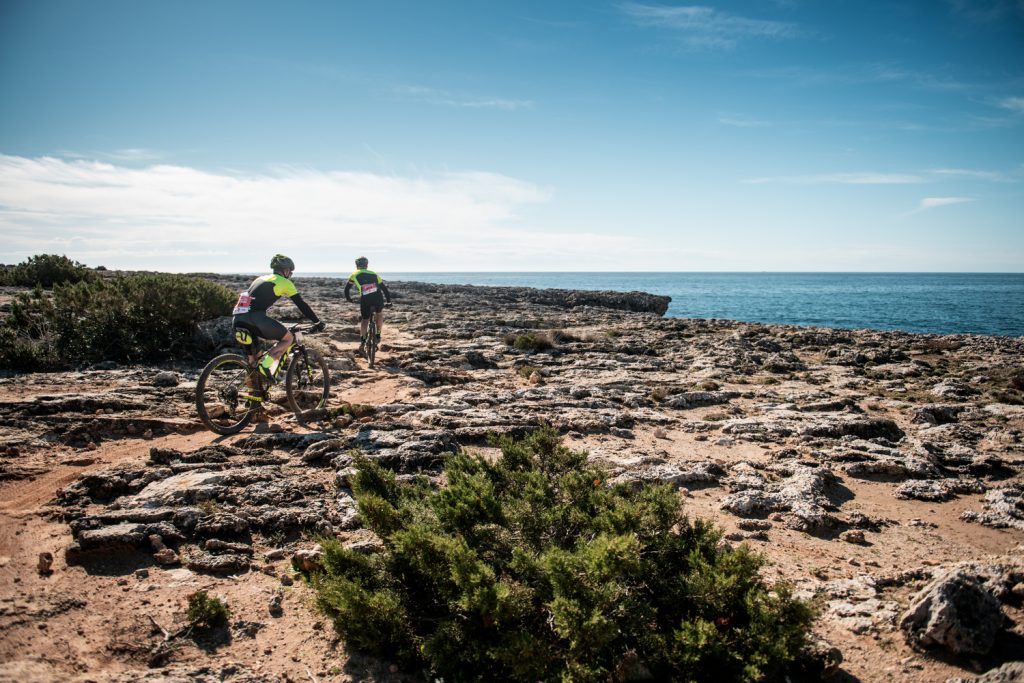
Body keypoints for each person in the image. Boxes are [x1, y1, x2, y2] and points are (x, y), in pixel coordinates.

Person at [232, 254, 325, 381]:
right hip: (255, 318)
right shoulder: (285, 282)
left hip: (237, 319)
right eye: (290, 272)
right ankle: (266, 365)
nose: (290, 274)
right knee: (288, 339)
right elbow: (302, 305)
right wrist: (317, 322)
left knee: (253, 361)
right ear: (285, 271)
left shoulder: (259, 279)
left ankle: (254, 396)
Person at [344, 256, 391, 356]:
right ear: (367, 265)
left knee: (365, 319)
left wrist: (349, 299)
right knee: (379, 313)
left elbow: (347, 289)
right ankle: (378, 335)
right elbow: (384, 289)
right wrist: (389, 301)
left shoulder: (354, 274)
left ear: (357, 265)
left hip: (365, 298)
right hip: (378, 297)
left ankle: (363, 340)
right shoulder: (374, 273)